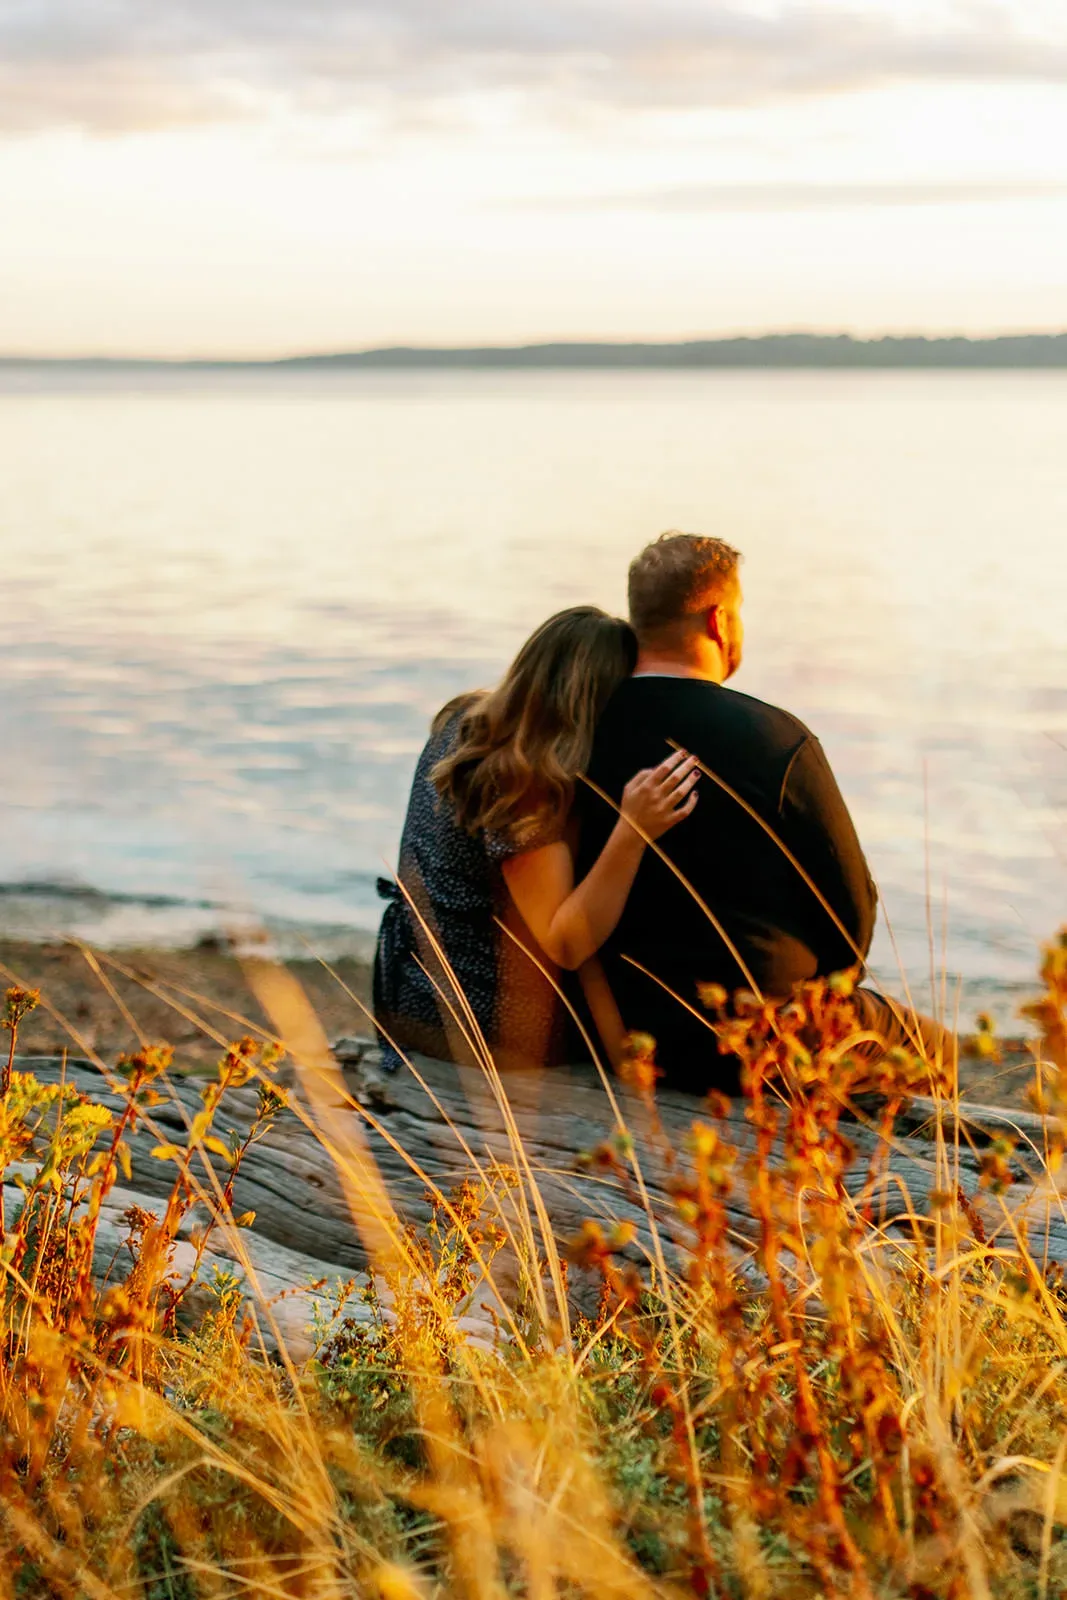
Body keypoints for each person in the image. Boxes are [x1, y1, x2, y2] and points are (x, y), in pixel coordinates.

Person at [577, 531, 953, 1094]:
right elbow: (850, 923)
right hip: (759, 1046)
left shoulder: (578, 729)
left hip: (615, 1036)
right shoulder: (778, 740)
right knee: (936, 1047)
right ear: (719, 620)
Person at [373, 605, 701, 1071]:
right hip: (480, 1029)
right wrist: (634, 831)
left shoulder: (465, 721)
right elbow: (564, 942)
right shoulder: (522, 781)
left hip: (414, 991)